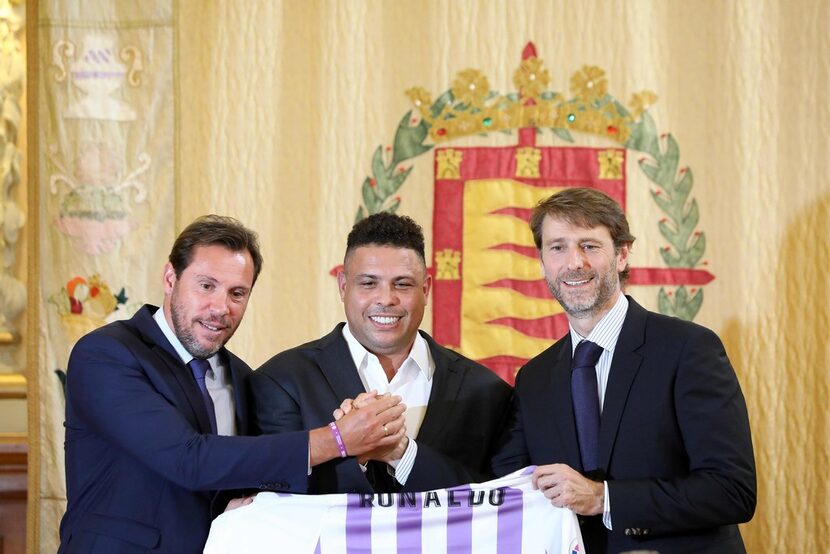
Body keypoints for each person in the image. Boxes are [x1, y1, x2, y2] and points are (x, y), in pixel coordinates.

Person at [58, 215, 405, 554]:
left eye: (237, 293)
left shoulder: (240, 375)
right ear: (169, 278)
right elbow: (188, 459)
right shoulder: (106, 354)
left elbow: (253, 473)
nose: (220, 308)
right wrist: (337, 439)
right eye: (206, 286)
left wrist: (362, 449)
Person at [491, 188, 756, 553]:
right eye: (558, 248)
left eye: (589, 245)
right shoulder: (535, 378)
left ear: (622, 254)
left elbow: (732, 491)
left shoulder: (689, 349)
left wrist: (605, 499)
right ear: (542, 262)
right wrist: (403, 453)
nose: (574, 262)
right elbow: (499, 489)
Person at [251, 212, 512, 493]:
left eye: (403, 284)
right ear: (343, 286)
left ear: (426, 289)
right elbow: (273, 495)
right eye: (368, 283)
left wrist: (402, 453)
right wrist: (351, 448)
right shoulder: (283, 379)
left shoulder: (486, 392)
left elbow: (504, 503)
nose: (386, 299)